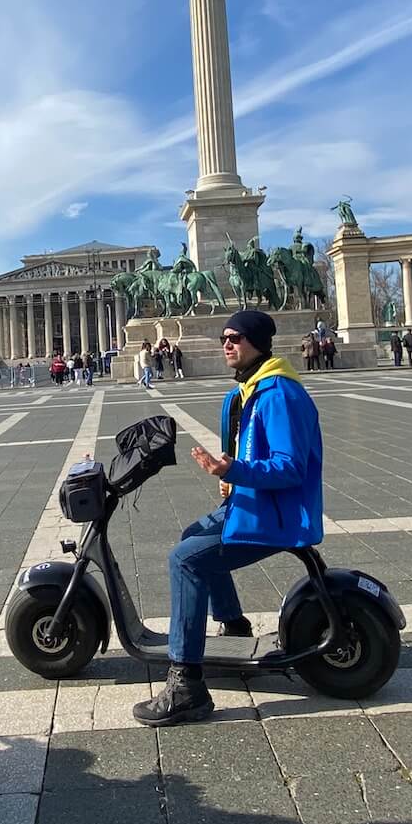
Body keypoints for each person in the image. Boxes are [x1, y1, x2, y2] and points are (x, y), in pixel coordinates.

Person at [136, 310, 322, 727]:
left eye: (235, 338)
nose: (226, 344)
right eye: (224, 337)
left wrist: (232, 472)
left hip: (275, 516)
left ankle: (186, 685)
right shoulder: (248, 391)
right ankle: (234, 626)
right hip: (251, 505)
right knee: (192, 537)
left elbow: (290, 468)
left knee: (184, 559)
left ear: (257, 342)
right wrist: (232, 475)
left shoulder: (279, 394)